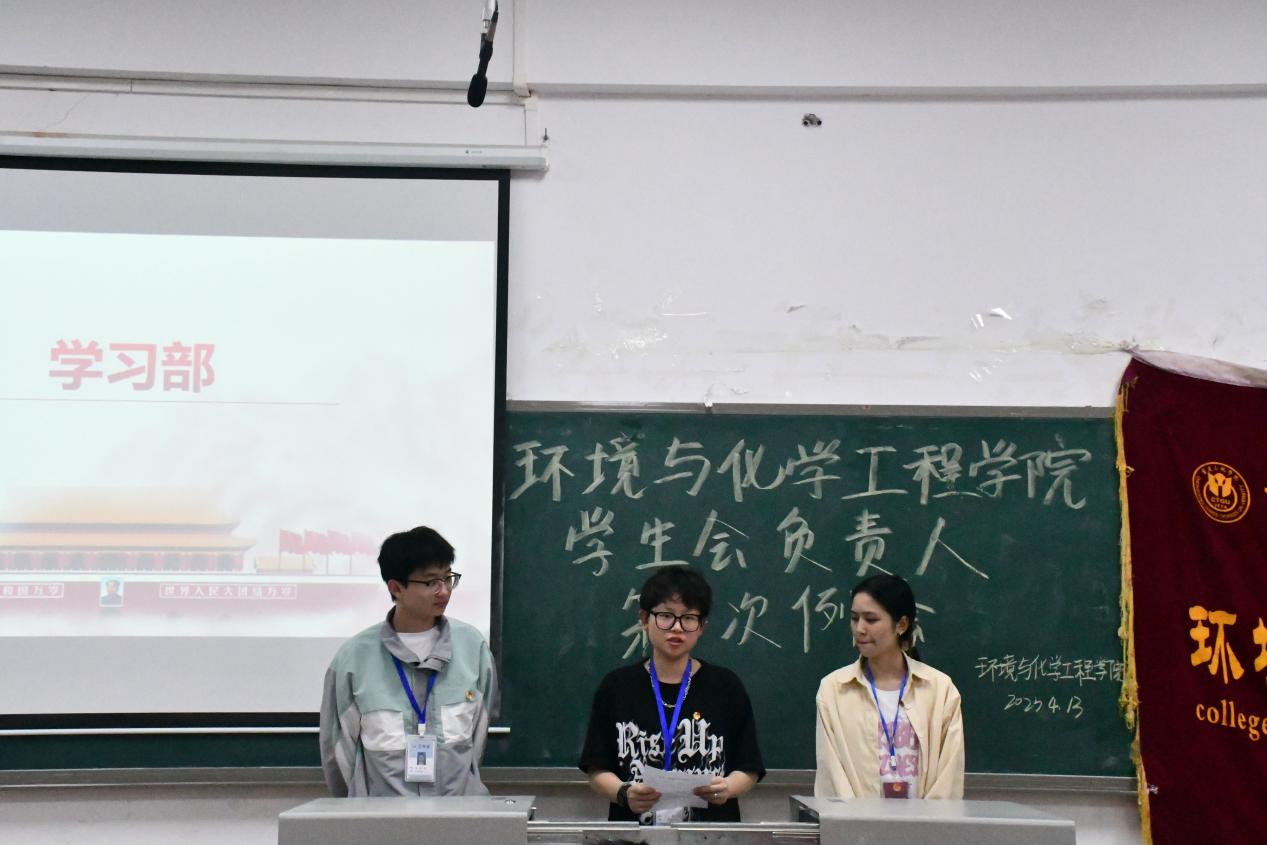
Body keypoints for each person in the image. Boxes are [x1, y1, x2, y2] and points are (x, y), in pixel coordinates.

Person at [578, 566, 765, 824]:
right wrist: (623, 793)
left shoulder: (726, 687)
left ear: (702, 626)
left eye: (689, 618)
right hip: (633, 836)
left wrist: (728, 788)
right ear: (645, 619)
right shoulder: (616, 687)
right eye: (665, 616)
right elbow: (597, 769)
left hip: (712, 836)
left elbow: (748, 768)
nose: (677, 628)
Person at [320, 526, 496, 797]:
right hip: (380, 819)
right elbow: (338, 754)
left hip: (458, 815)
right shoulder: (353, 660)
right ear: (396, 588)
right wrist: (355, 811)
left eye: (448, 578)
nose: (444, 591)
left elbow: (477, 740)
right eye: (431, 582)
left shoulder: (473, 649)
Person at [814, 573, 964, 799]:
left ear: (901, 625)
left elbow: (948, 778)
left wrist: (929, 820)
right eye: (854, 618)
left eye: (871, 619)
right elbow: (831, 776)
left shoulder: (940, 689)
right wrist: (855, 820)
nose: (859, 628)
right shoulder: (833, 689)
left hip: (927, 820)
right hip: (855, 820)